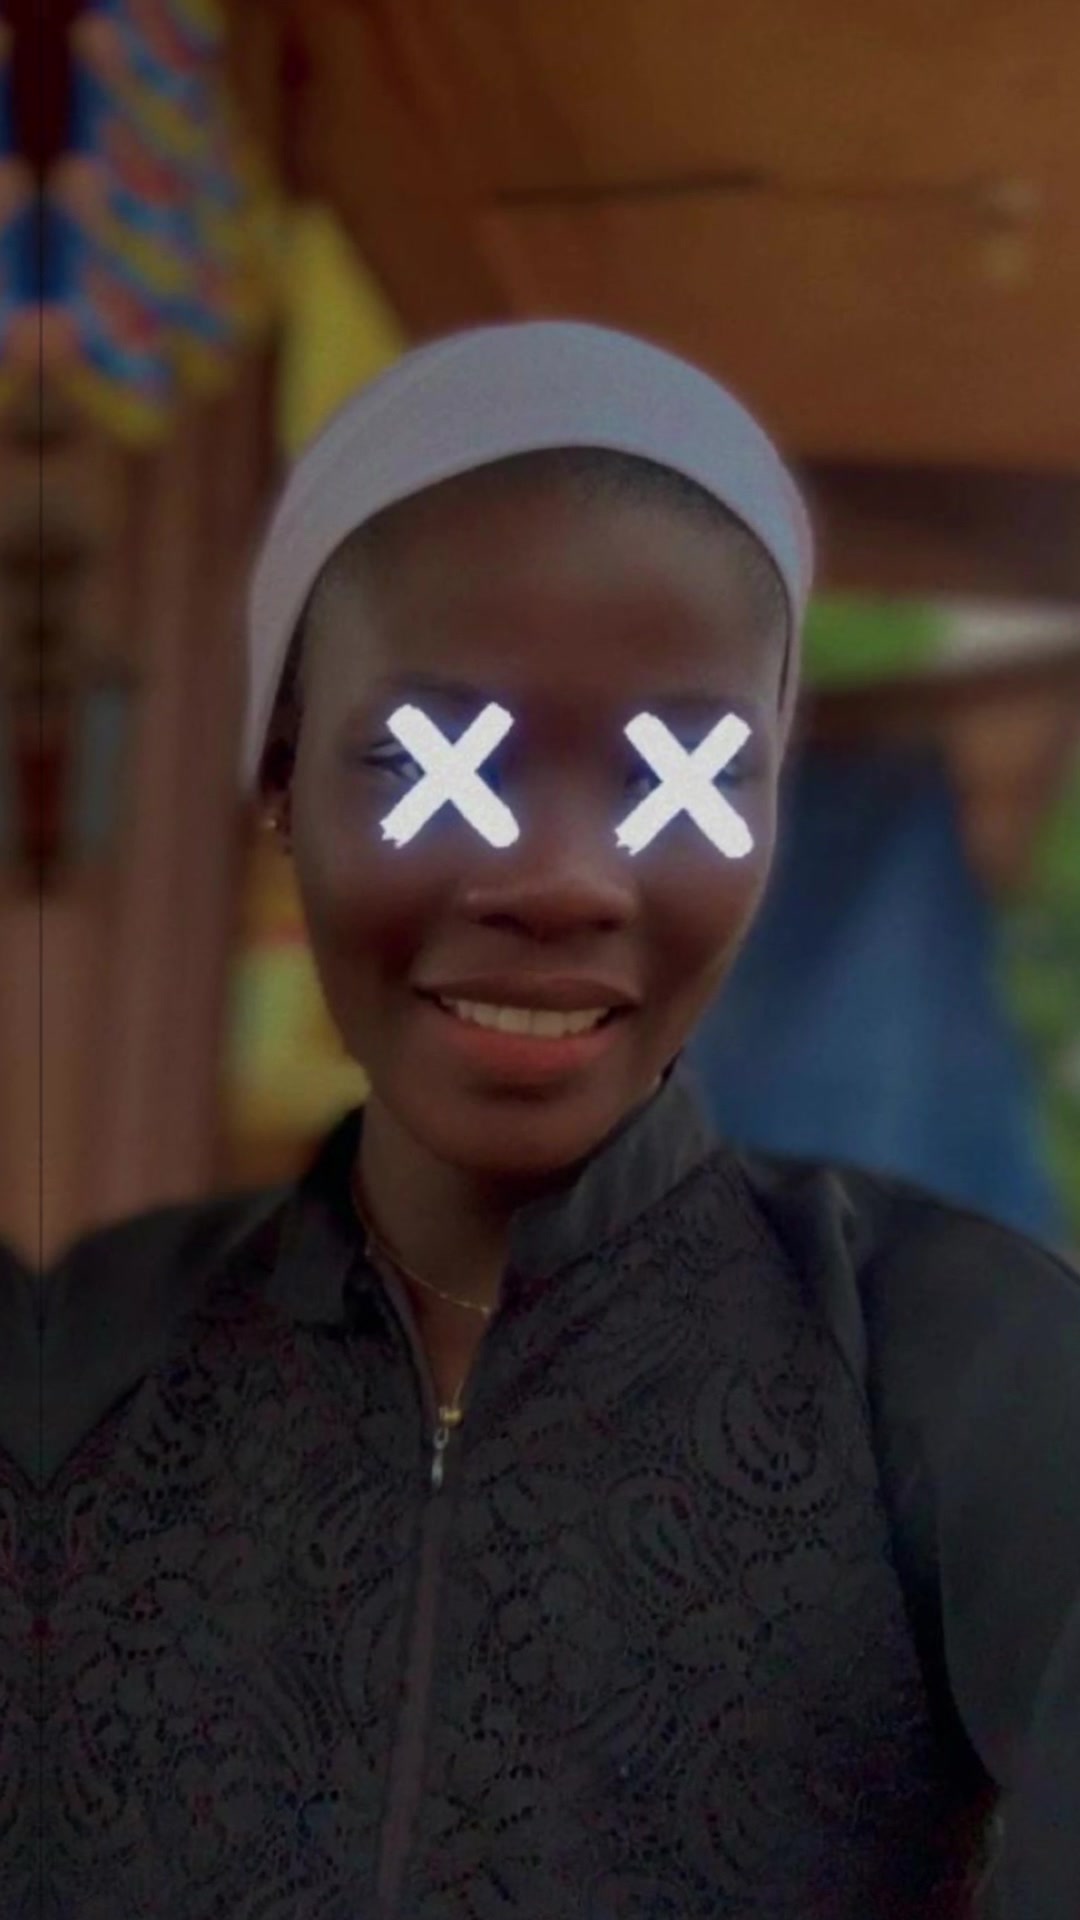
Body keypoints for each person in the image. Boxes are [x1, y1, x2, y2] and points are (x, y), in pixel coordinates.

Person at [14, 322, 1079, 1918]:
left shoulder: (952, 1367)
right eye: (437, 763)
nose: (566, 879)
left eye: (688, 777)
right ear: (284, 782)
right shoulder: (75, 1366)